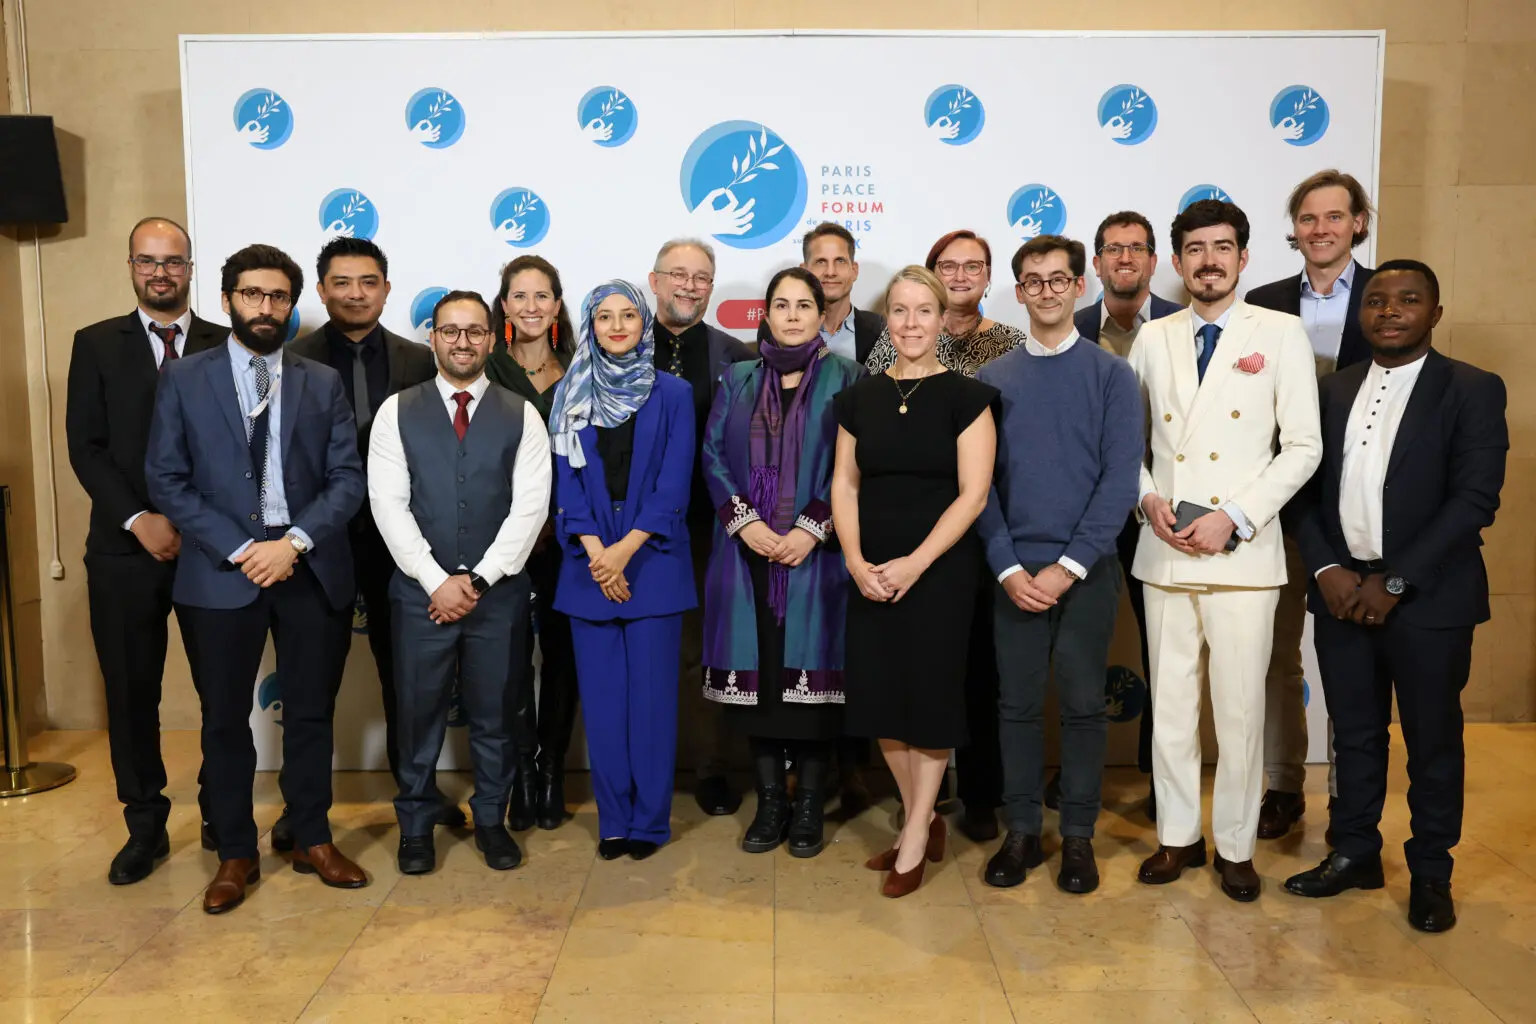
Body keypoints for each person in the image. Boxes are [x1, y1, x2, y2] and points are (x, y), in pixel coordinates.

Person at [1283, 261, 1507, 934]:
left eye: (1408, 300)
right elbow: (1301, 489)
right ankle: (1354, 851)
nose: (1389, 310)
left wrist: (1396, 581)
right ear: (1361, 314)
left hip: (1428, 600)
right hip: (1342, 592)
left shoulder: (1470, 389)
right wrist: (1325, 569)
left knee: (1434, 739)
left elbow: (1474, 501)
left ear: (1435, 313)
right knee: (1353, 736)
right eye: (1377, 300)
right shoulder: (1332, 390)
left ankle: (1432, 871)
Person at [145, 243, 368, 914]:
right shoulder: (185, 379)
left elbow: (345, 480)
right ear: (227, 300)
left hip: (307, 568)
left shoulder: (321, 381)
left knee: (309, 714)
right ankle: (236, 852)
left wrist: (292, 543)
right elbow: (166, 478)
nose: (264, 307)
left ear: (292, 305)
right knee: (224, 722)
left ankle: (311, 838)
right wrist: (245, 546)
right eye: (251, 294)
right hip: (220, 573)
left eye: (276, 296)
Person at [1128, 200, 1321, 902]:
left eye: (1223, 247)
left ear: (1244, 258)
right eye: (1195, 249)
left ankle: (1235, 846)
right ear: (1176, 262)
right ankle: (1177, 837)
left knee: (1239, 713)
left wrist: (1233, 517)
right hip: (1166, 549)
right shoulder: (1153, 336)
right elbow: (1131, 443)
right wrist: (1147, 498)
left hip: (1241, 555)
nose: (1209, 260)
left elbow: (1303, 446)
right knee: (1173, 708)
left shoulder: (1281, 333)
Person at [977, 236, 1141, 893]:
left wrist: (1068, 566)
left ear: (1081, 286)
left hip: (1086, 572)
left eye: (1058, 279)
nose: (1046, 291)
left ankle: (1077, 837)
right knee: (1015, 706)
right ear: (1018, 293)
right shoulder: (993, 382)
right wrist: (1008, 567)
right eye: (1033, 281)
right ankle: (1021, 831)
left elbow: (1118, 482)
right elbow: (978, 486)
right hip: (1012, 573)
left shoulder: (1111, 377)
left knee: (1082, 707)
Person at [368, 289, 552, 875]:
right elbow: (388, 506)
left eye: (475, 331)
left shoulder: (521, 413)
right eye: (451, 331)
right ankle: (415, 827)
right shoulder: (396, 411)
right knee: (418, 715)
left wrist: (477, 579)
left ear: (491, 339)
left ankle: (492, 820)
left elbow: (531, 508)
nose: (463, 341)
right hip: (419, 595)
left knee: (497, 713)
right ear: (433, 337)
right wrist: (435, 580)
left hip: (496, 596)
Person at [65, 216, 225, 884]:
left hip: (212, 548)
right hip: (126, 551)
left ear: (191, 268)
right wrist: (140, 519)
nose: (161, 272)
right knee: (133, 692)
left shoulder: (227, 343)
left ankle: (222, 812)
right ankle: (145, 826)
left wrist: (199, 524)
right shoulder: (96, 344)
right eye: (148, 261)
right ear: (132, 267)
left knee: (222, 690)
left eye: (174, 261)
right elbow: (86, 448)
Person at [832, 266, 998, 898]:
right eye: (898, 311)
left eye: (922, 311)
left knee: (927, 703)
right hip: (870, 569)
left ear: (940, 318)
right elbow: (844, 484)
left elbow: (974, 495)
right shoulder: (859, 397)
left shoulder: (967, 397)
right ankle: (922, 820)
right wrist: (853, 558)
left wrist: (916, 563)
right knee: (882, 700)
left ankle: (916, 836)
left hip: (939, 572)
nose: (909, 324)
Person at [287, 237, 455, 844]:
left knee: (410, 678)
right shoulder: (293, 359)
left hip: (402, 548)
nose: (355, 293)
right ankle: (302, 812)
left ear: (386, 287)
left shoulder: (420, 359)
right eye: (341, 282)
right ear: (321, 288)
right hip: (318, 544)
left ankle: (420, 793)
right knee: (311, 684)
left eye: (367, 282)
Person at [868, 230, 1023, 841]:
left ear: (987, 277)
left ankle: (981, 795)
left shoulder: (1009, 345)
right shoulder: (890, 350)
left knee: (980, 668)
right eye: (948, 267)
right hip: (910, 534)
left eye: (973, 266)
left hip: (987, 527)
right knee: (913, 675)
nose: (961, 276)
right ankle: (924, 808)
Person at [704, 268, 863, 858]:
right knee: (764, 684)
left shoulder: (849, 377)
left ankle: (809, 806)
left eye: (804, 305)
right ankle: (770, 803)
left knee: (811, 688)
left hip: (816, 561)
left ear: (823, 315)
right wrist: (746, 524)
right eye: (781, 304)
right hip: (746, 561)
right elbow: (713, 455)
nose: (793, 314)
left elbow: (854, 465)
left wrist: (809, 528)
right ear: (764, 315)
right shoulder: (737, 378)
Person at [1244, 170, 1378, 841]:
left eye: (1334, 217)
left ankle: (1351, 803)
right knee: (1278, 658)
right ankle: (1282, 787)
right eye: (1308, 217)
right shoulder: (1263, 304)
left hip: (1363, 512)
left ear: (1359, 222)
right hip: (1282, 509)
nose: (1320, 229)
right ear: (1293, 227)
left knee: (1352, 662)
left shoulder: (1389, 298)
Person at [550, 280, 697, 861]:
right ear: (589, 324)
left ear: (644, 324)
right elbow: (565, 483)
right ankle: (614, 821)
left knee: (652, 707)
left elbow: (673, 482)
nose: (616, 325)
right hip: (588, 565)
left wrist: (623, 551)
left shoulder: (674, 394)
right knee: (605, 707)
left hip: (652, 563)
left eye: (628, 315)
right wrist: (595, 550)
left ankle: (650, 824)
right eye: (604, 316)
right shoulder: (570, 392)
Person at [1054, 210, 1184, 820]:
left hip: (1169, 517)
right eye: (1112, 249)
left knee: (1167, 654)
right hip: (1086, 522)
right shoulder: (1066, 328)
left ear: (1155, 261)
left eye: (1136, 249)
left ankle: (1166, 782)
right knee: (1077, 652)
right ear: (1095, 266)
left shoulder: (1185, 329)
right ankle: (1075, 778)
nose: (1124, 258)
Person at [647, 238, 754, 817]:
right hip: (636, 536)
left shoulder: (736, 356)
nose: (690, 286)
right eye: (678, 275)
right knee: (648, 654)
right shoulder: (623, 349)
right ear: (655, 280)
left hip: (712, 534)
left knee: (706, 655)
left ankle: (712, 768)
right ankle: (649, 769)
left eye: (702, 278)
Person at [484, 255, 579, 832]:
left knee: (565, 662)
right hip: (507, 541)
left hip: (572, 539)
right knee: (512, 663)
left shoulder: (581, 370)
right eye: (519, 296)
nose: (531, 307)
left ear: (558, 306)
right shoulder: (487, 368)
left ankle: (553, 777)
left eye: (542, 296)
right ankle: (521, 775)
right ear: (504, 307)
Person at [755, 222, 886, 364]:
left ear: (854, 271)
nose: (830, 272)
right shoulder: (775, 327)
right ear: (804, 271)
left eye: (840, 261)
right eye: (820, 262)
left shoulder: (880, 328)